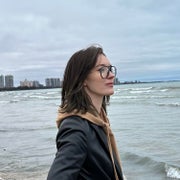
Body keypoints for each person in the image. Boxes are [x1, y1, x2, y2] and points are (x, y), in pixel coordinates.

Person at [47, 45, 125, 180]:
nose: (111, 75)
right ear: (82, 79)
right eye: (102, 70)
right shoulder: (76, 128)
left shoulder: (98, 120)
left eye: (110, 69)